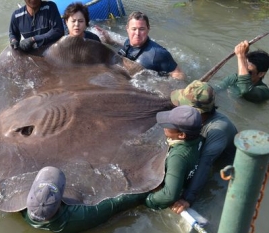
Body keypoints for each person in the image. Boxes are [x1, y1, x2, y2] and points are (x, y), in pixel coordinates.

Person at [169, 80, 238, 214]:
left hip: (225, 168)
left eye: (183, 106)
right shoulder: (196, 121)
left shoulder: (217, 130)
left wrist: (187, 198)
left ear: (198, 112)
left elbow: (205, 164)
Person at [21, 166, 146, 233]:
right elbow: (117, 204)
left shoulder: (20, 208)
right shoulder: (81, 216)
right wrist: (146, 192)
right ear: (59, 205)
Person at [95, 11, 186, 80]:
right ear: (127, 29)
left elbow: (179, 74)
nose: (137, 33)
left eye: (141, 29)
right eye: (134, 29)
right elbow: (127, 49)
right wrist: (109, 41)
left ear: (148, 29)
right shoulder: (128, 42)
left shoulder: (158, 54)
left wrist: (162, 86)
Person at [145, 105, 203, 210]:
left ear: (181, 135)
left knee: (120, 200)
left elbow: (170, 195)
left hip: (167, 188)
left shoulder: (177, 157)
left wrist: (150, 200)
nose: (164, 127)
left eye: (167, 126)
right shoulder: (199, 138)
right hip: (183, 175)